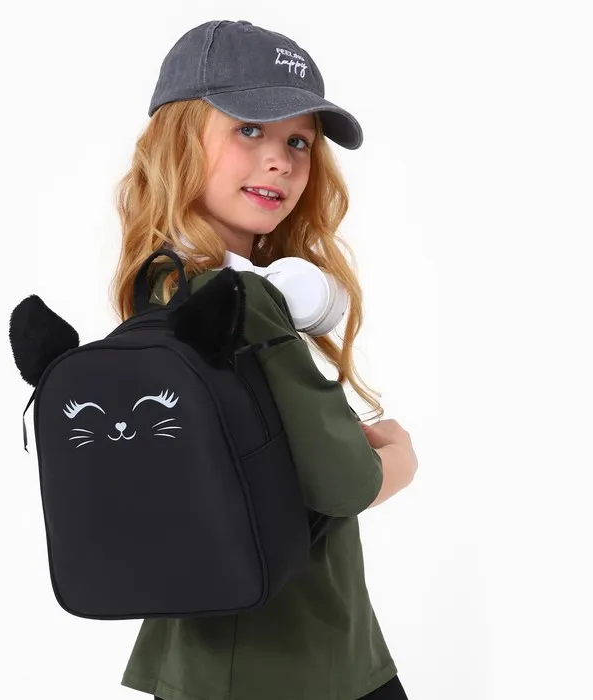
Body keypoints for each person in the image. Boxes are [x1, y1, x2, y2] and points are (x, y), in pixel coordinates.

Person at [109, 19, 419, 700]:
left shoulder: (159, 292)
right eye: (249, 128)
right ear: (179, 139)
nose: (281, 160)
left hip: (202, 654)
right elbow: (344, 484)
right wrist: (398, 456)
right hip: (296, 659)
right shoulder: (245, 301)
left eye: (298, 141)